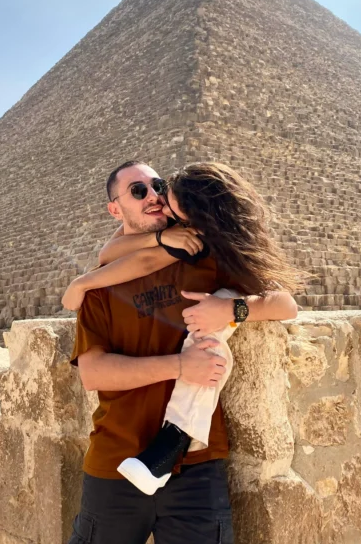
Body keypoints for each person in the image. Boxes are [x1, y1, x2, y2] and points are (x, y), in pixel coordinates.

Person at [64, 161, 303, 544]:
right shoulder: (101, 286)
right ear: (115, 209)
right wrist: (181, 366)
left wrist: (231, 309)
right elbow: (94, 373)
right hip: (117, 461)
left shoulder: (205, 257)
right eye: (138, 191)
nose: (153, 196)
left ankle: (175, 437)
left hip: (197, 467)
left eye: (157, 186)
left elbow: (284, 303)